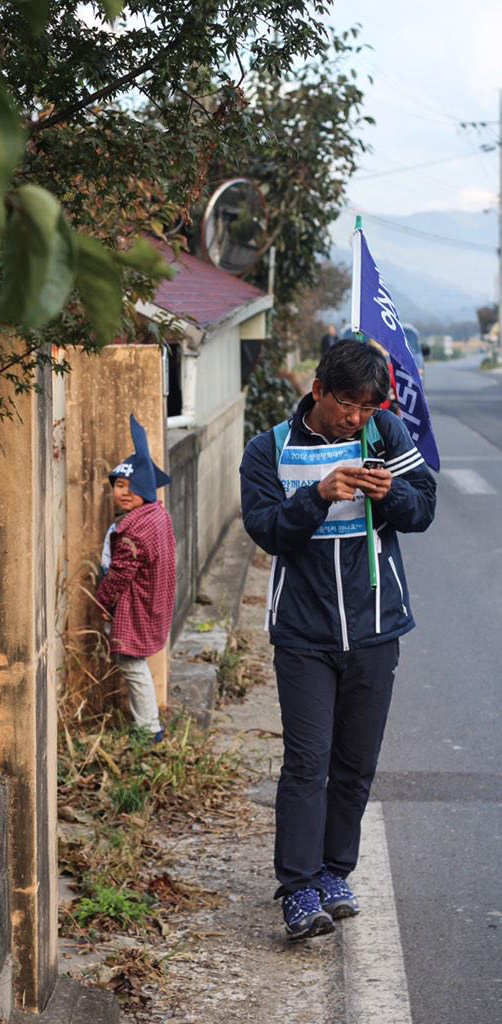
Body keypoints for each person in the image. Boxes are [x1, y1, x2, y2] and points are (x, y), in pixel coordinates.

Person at [239, 340, 436, 939]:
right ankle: (297, 889)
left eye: (369, 407)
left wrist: (391, 495)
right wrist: (317, 497)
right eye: (348, 404)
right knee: (306, 763)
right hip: (303, 634)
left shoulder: (386, 436)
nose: (357, 417)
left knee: (355, 765)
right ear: (320, 389)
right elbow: (267, 531)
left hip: (377, 630)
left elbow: (423, 508)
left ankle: (333, 872)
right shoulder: (268, 448)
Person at [96, 414, 176, 742]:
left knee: (131, 664)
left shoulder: (133, 528)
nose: (124, 493)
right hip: (151, 601)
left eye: (131, 487)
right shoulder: (156, 515)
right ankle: (146, 724)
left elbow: (120, 574)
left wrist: (101, 602)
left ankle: (149, 729)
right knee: (133, 664)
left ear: (146, 488)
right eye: (118, 486)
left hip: (133, 606)